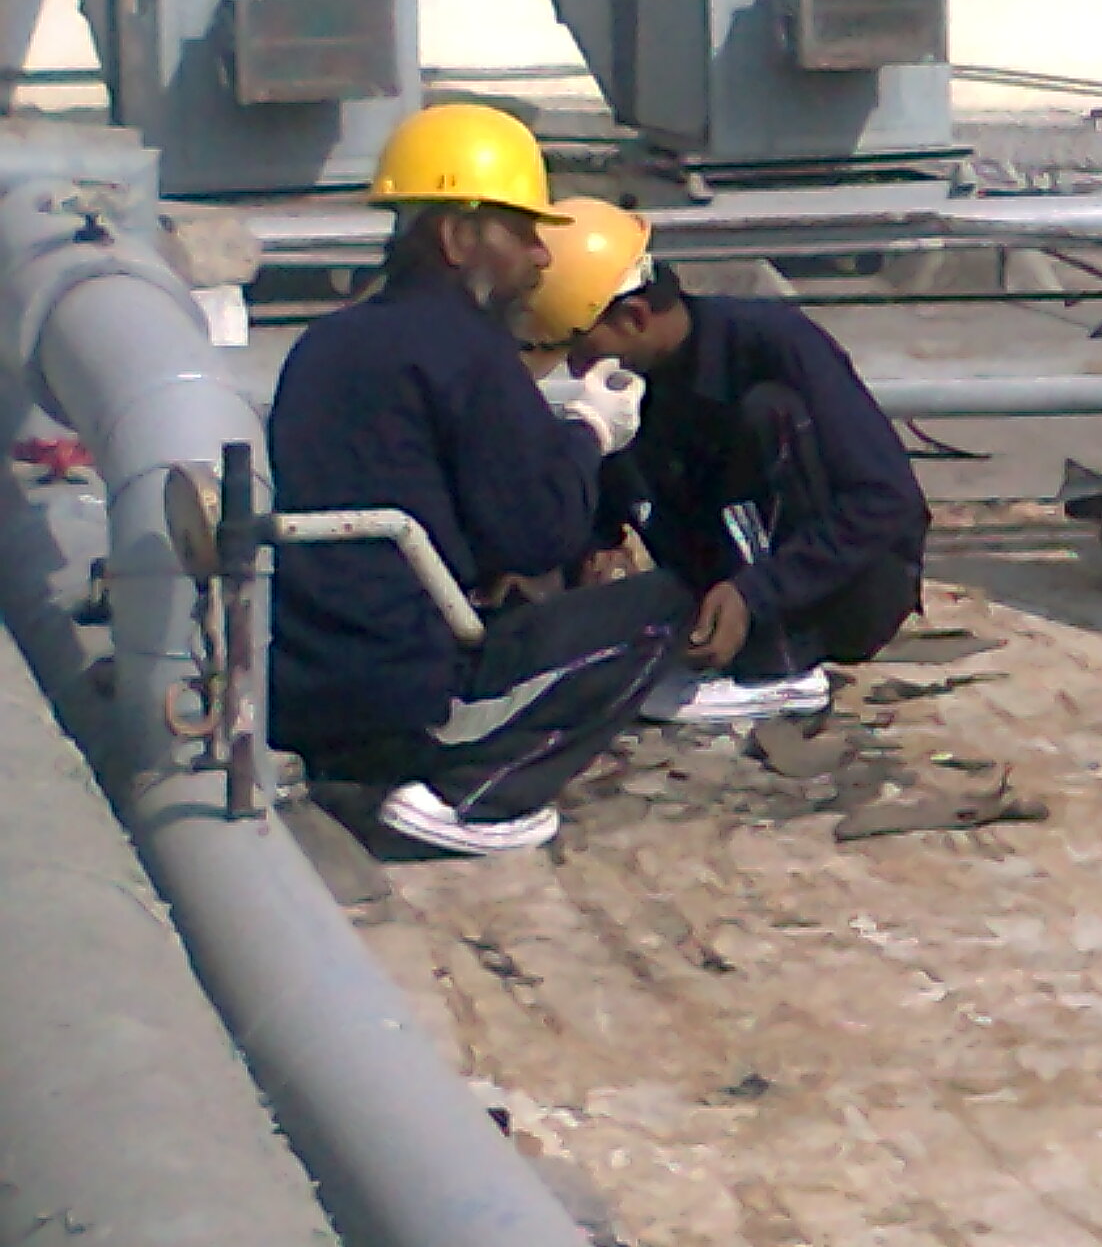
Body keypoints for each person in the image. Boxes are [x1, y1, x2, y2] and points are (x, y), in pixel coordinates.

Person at [267, 104, 690, 855]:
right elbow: (538, 535)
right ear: (459, 237)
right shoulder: (467, 349)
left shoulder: (326, 343)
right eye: (522, 232)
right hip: (413, 694)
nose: (541, 256)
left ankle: (364, 776)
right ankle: (468, 798)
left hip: (304, 691)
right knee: (664, 604)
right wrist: (590, 433)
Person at [521, 197, 929, 724]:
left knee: (767, 413)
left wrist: (756, 593)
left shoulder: (775, 346)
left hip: (839, 597)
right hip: (717, 592)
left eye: (580, 345)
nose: (576, 367)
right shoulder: (634, 382)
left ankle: (783, 667)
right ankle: (720, 647)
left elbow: (887, 501)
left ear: (635, 317)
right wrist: (594, 549)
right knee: (611, 418)